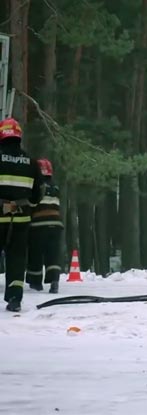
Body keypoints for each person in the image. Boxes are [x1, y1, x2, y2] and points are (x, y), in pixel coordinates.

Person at [0, 118, 43, 312]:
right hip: (21, 219)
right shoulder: (32, 163)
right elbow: (37, 194)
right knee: (17, 258)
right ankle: (15, 299)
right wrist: (28, 206)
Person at [26, 158, 64, 294]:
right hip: (56, 225)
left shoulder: (36, 186)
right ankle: (54, 281)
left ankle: (35, 281)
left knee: (35, 253)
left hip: (38, 225)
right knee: (52, 254)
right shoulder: (55, 187)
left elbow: (31, 204)